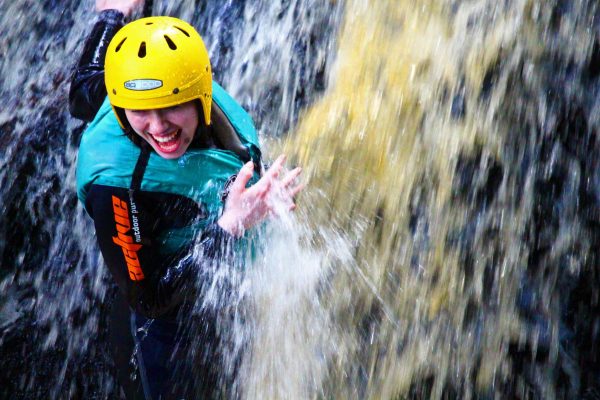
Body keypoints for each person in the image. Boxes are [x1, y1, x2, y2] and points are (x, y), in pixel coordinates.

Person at [69, 1, 303, 398]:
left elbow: (85, 87)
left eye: (172, 106)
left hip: (221, 283)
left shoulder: (178, 95)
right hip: (160, 324)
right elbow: (150, 296)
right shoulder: (116, 184)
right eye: (141, 112)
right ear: (123, 106)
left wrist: (114, 14)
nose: (158, 128)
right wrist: (231, 225)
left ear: (199, 92)